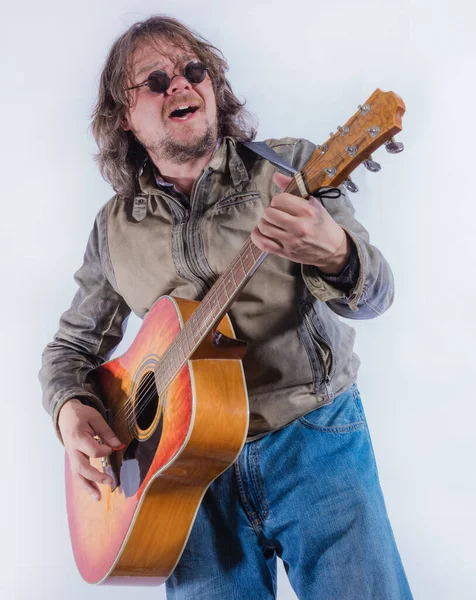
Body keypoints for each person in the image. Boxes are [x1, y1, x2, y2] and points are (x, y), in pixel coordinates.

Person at [39, 15, 413, 600]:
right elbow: (69, 350)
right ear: (123, 117)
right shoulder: (114, 228)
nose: (182, 85)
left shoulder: (290, 172)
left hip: (311, 440)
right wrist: (68, 409)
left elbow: (378, 293)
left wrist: (336, 252)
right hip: (180, 476)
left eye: (195, 71)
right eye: (156, 81)